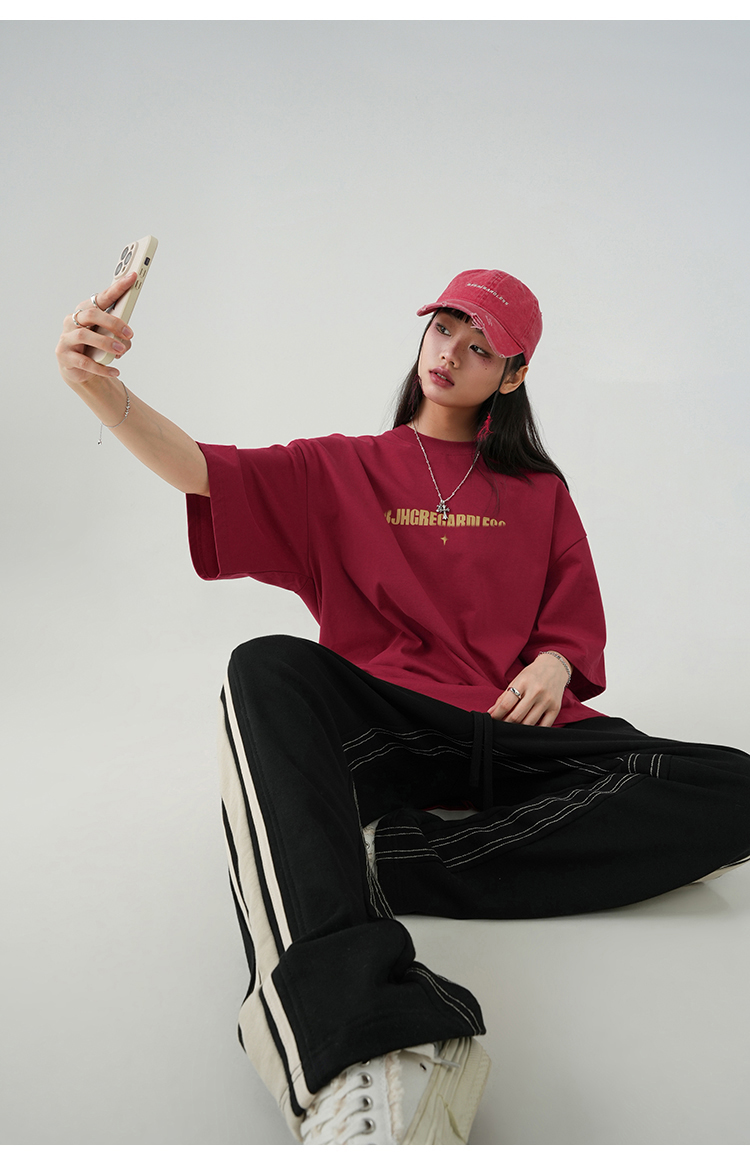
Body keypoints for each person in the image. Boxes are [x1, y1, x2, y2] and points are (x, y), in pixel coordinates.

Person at [56, 267, 750, 1146]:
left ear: (515, 374)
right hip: (387, 729)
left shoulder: (541, 492)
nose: (450, 352)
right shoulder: (343, 467)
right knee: (264, 666)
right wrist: (97, 387)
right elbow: (201, 469)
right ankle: (360, 1034)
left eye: (481, 346)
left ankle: (398, 860)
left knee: (731, 786)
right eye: (443, 329)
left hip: (513, 730)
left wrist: (554, 660)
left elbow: (572, 628)